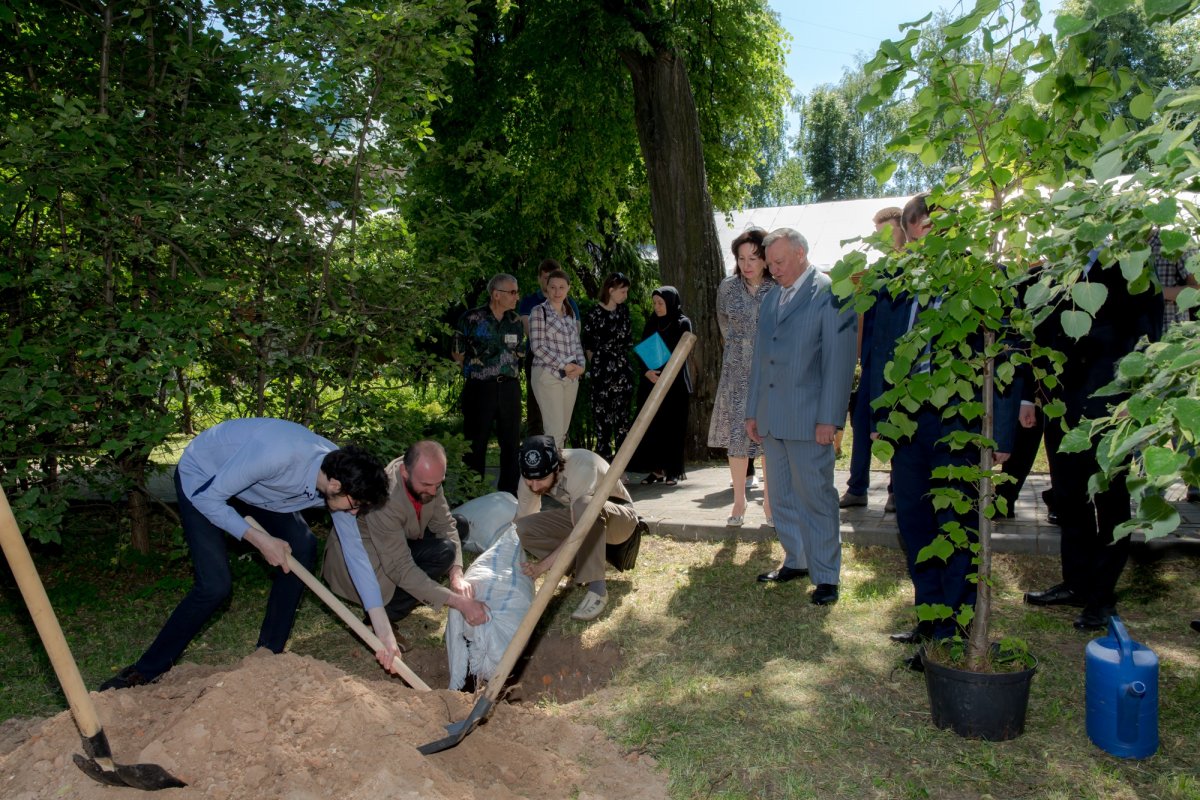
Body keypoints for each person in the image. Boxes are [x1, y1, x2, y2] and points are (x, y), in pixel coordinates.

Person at [100, 418, 394, 690]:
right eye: (355, 505)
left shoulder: (342, 478)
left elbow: (354, 551)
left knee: (303, 547)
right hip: (204, 480)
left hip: (257, 491)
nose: (355, 512)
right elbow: (210, 498)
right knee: (214, 586)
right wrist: (261, 540)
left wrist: (382, 627)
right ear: (334, 485)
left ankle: (267, 656)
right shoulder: (278, 456)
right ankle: (146, 669)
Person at [868, 194, 1019, 663]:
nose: (931, 240)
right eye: (922, 232)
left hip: (961, 424)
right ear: (909, 234)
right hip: (908, 424)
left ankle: (957, 628)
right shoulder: (898, 281)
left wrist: (1004, 434)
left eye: (940, 230)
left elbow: (1006, 356)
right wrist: (880, 420)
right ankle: (930, 619)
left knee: (957, 527)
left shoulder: (982, 280)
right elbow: (881, 349)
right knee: (915, 524)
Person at [1023, 250, 1162, 630]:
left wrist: (1137, 400)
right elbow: (1037, 338)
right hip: (1059, 409)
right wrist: (1029, 396)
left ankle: (1102, 598)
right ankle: (1076, 584)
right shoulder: (1052, 274)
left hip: (1111, 413)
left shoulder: (1130, 271)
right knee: (1069, 500)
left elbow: (1149, 339)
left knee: (1110, 501)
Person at [745, 229, 857, 605]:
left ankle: (826, 575)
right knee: (780, 494)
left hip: (811, 420)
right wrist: (751, 411)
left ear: (801, 254)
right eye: (769, 263)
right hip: (772, 418)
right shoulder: (773, 295)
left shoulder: (831, 292)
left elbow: (840, 363)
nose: (772, 270)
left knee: (817, 497)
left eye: (778, 262)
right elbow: (761, 359)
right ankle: (797, 559)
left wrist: (831, 419)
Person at [323, 441, 490, 649]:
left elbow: (446, 523)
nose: (433, 491)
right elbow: (400, 568)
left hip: (396, 538)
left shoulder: (428, 480)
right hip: (365, 561)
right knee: (443, 552)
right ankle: (382, 614)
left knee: (460, 525)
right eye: (427, 485)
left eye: (438, 484)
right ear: (404, 472)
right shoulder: (385, 499)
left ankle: (421, 589)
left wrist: (456, 575)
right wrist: (460, 602)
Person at [514, 435, 642, 621]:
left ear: (556, 468)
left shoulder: (582, 465)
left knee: (583, 506)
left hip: (622, 524)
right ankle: (575, 570)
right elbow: (522, 519)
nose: (534, 486)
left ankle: (598, 590)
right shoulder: (530, 477)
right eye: (529, 480)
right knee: (522, 528)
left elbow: (579, 531)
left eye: (541, 479)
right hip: (584, 519)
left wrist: (542, 566)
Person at [708, 229, 774, 527]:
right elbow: (724, 325)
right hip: (736, 371)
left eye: (754, 258)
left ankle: (771, 504)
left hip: (771, 372)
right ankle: (738, 501)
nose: (747, 264)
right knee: (737, 439)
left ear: (765, 259)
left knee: (769, 439)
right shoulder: (727, 288)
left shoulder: (777, 288)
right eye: (741, 258)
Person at [840, 207, 904, 512]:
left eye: (887, 234)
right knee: (862, 422)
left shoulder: (912, 272)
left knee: (893, 426)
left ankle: (896, 489)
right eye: (877, 236)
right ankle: (857, 488)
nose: (882, 241)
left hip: (900, 368)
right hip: (870, 364)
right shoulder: (874, 275)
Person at [453, 273, 525, 496]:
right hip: (480, 389)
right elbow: (457, 353)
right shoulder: (471, 318)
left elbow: (520, 353)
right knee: (475, 445)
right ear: (496, 294)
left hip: (509, 388)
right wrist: (480, 369)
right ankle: (470, 495)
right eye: (512, 292)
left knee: (511, 445)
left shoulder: (516, 322)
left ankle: (509, 496)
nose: (517, 296)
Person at [629, 287, 693, 485]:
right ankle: (656, 470)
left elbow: (683, 351)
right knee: (654, 428)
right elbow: (643, 351)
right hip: (653, 383)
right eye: (654, 303)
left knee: (673, 429)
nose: (657, 307)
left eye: (661, 303)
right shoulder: (652, 322)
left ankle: (672, 471)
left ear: (670, 303)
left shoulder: (683, 323)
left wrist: (667, 374)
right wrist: (646, 372)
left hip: (675, 386)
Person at [520, 259, 581, 436]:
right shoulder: (531, 302)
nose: (554, 286)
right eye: (548, 280)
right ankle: (539, 457)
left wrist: (577, 366)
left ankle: (558, 459)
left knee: (561, 424)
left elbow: (575, 337)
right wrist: (562, 363)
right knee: (537, 417)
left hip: (569, 366)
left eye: (559, 283)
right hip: (540, 362)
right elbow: (533, 337)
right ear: (541, 279)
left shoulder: (570, 305)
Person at [581, 272, 634, 461]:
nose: (625, 296)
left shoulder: (624, 312)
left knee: (622, 422)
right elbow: (587, 345)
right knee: (602, 422)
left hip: (622, 372)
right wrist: (597, 366)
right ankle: (603, 467)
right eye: (622, 291)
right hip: (602, 373)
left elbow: (628, 341)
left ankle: (620, 468)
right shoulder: (594, 313)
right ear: (610, 290)